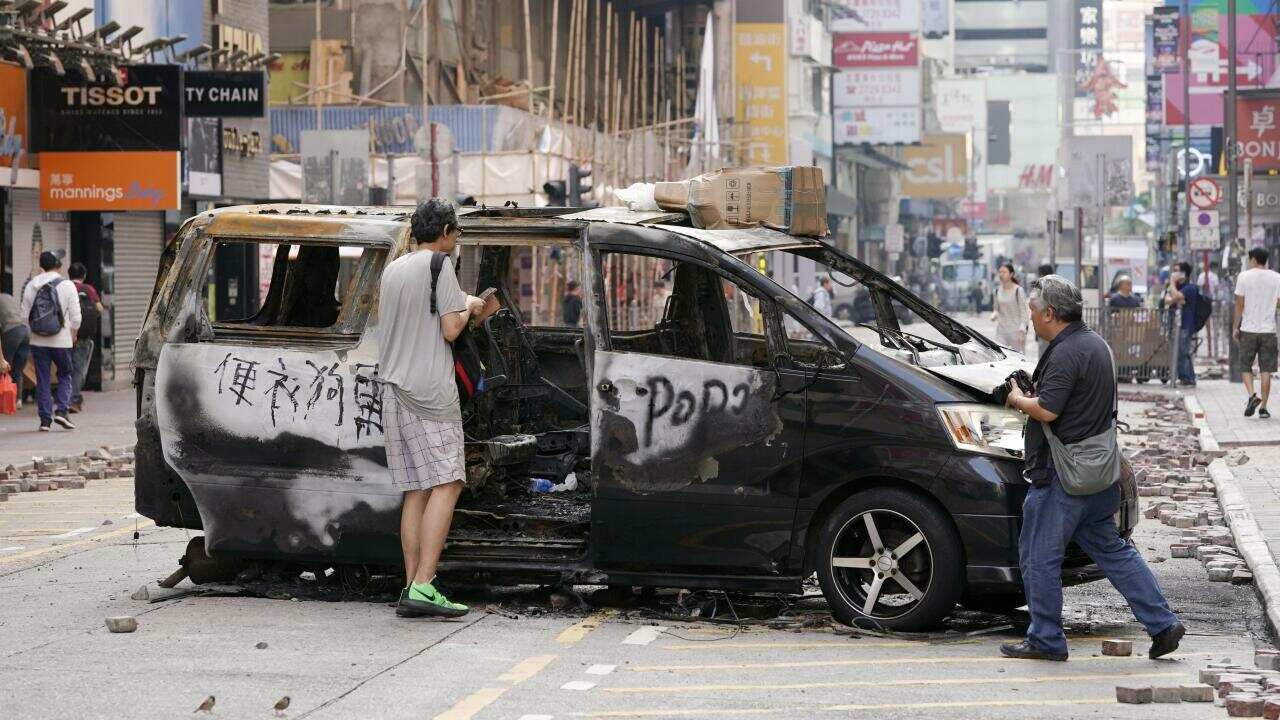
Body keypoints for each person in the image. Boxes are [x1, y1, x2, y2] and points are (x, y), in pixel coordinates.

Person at [1000, 274, 1183, 662]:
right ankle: (1163, 623)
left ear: (1050, 312)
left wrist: (1018, 398)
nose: (1030, 317)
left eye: (1033, 310)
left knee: (1038, 556)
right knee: (1114, 551)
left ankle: (1046, 639)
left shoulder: (1066, 352)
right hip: (1100, 474)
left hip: (1062, 477)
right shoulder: (1096, 344)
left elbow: (1048, 410)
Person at [377, 199, 486, 618]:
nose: (456, 241)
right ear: (444, 232)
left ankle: (411, 585)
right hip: (429, 393)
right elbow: (450, 327)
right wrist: (471, 305)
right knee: (449, 481)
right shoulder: (439, 266)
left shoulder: (394, 268)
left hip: (395, 390)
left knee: (417, 488)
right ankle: (425, 583)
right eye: (456, 234)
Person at [21, 251, 81, 431]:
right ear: (59, 265)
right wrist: (73, 333)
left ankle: (45, 421)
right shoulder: (67, 285)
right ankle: (62, 411)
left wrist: (35, 331)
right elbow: (76, 317)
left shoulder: (32, 285)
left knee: (43, 378)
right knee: (64, 374)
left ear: (41, 266)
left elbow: (24, 316)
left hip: (38, 340)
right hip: (62, 340)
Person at [1234, 247, 1280, 419]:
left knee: (1245, 365)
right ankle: (1264, 408)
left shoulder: (1243, 276)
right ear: (1266, 259)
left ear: (1252, 259)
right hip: (1269, 330)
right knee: (1266, 369)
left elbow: (1239, 304)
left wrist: (1235, 327)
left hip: (1248, 329)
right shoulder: (1277, 278)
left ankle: (1252, 395)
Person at [67, 263, 103, 413]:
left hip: (65, 336)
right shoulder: (88, 289)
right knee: (78, 369)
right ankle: (73, 399)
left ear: (69, 274)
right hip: (82, 336)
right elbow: (99, 309)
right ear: (84, 275)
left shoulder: (65, 287)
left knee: (65, 369)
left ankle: (66, 398)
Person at [1164, 261, 1202, 386]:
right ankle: (1185, 377)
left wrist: (1172, 285)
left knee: (1183, 352)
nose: (1173, 273)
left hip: (1186, 325)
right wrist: (1175, 298)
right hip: (1175, 324)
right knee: (1179, 352)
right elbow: (1168, 299)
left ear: (1184, 274)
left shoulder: (1190, 288)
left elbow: (1175, 296)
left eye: (1176, 270)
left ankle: (1188, 378)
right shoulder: (1179, 288)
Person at [991, 262, 1029, 352]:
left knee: (1018, 358)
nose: (1001, 274)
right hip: (1001, 331)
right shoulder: (997, 291)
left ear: (1011, 274)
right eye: (1000, 272)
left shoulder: (1018, 290)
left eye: (1004, 272)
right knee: (1001, 356)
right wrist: (994, 314)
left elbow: (1024, 311)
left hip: (1016, 331)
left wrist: (1023, 329)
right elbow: (996, 308)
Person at [0, 291, 28, 408]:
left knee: (5, 365)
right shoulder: (7, 296)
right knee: (18, 368)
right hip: (25, 331)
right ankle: (18, 400)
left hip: (11, 332)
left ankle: (5, 399)